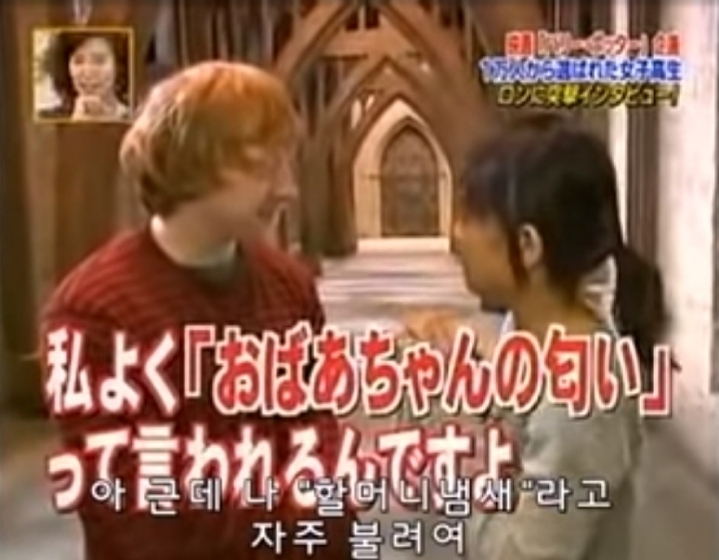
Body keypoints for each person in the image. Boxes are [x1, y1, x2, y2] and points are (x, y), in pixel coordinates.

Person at [41, 61, 354, 560]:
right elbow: (132, 511)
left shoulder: (288, 284)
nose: (287, 189)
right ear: (194, 161)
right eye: (263, 167)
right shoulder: (94, 312)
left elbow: (319, 435)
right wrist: (296, 520)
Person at [406, 114, 670, 560]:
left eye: (471, 216)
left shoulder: (581, 400)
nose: (455, 235)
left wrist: (452, 439)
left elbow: (518, 553)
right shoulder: (533, 334)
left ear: (528, 246)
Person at [37, 29, 131, 122]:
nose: (88, 73)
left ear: (119, 65)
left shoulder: (136, 118)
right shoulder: (45, 118)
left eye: (99, 61)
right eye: (78, 61)